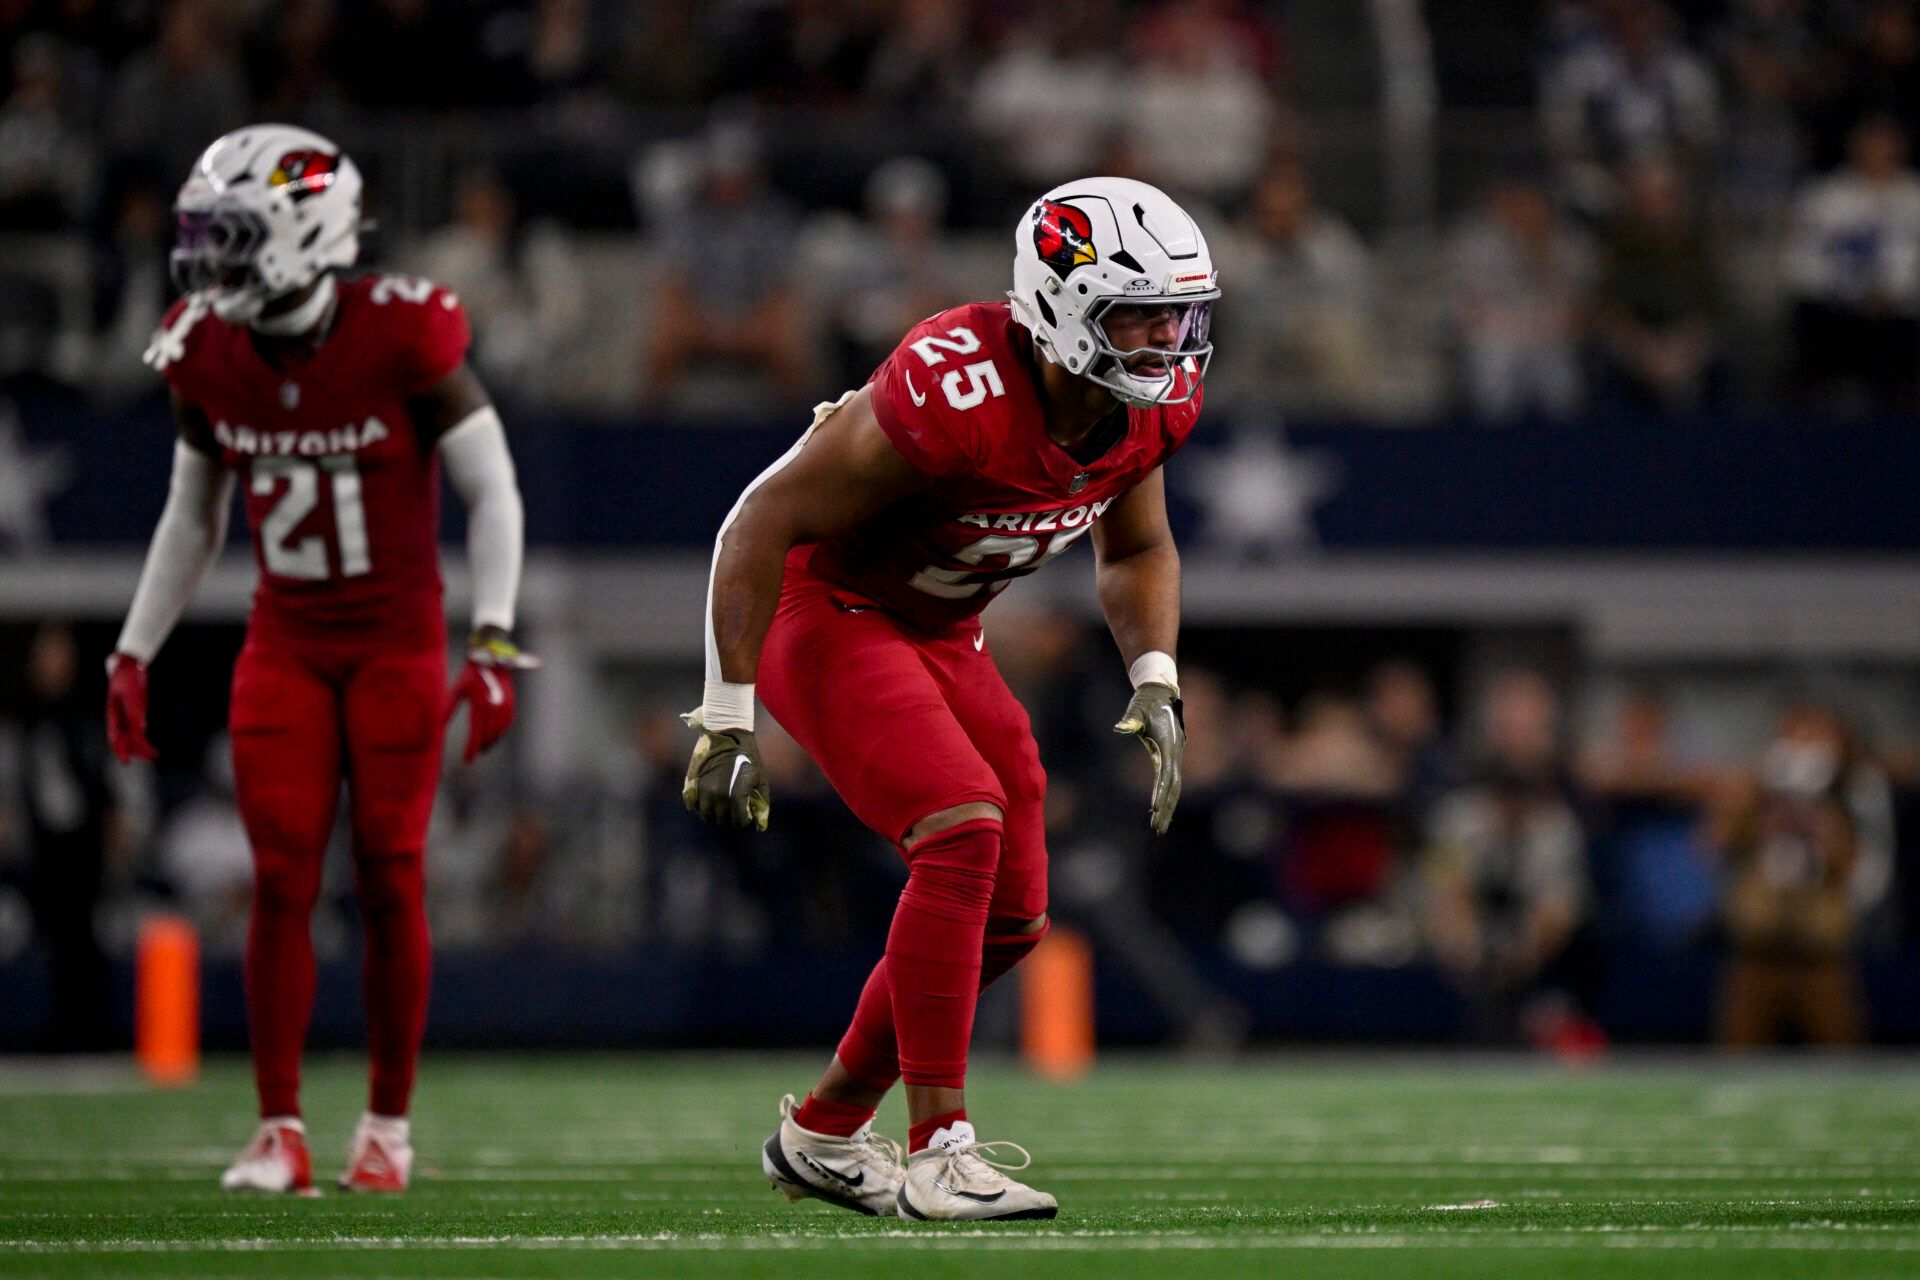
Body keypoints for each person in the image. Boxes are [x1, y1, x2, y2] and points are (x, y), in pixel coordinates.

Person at [683, 178, 1214, 1221]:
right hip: (827, 605)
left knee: (1013, 917)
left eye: (1179, 312)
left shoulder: (1148, 405)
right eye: (1140, 312)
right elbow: (758, 516)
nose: (1167, 338)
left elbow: (1138, 543)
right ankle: (940, 1148)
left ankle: (825, 1130)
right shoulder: (954, 386)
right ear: (1062, 304)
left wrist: (1156, 677)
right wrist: (725, 707)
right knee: (961, 827)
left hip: (938, 632)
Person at [104, 125, 531, 1195]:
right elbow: (191, 513)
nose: (207, 262)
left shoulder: (401, 333)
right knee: (281, 873)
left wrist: (492, 636)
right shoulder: (204, 349)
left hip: (393, 640)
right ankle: (279, 1127)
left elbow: (494, 488)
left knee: (390, 873)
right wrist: (133, 643)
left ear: (304, 234)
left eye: (232, 237)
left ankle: (386, 1123)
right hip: (286, 638)